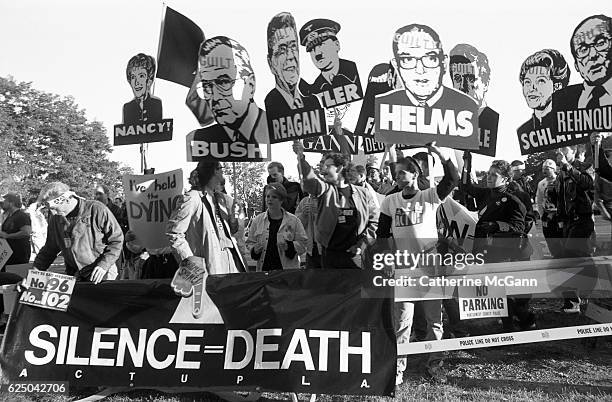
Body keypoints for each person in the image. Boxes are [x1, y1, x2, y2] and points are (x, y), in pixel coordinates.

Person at [376, 143, 459, 385]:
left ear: (415, 173)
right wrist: (388, 260)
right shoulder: (390, 201)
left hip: (430, 265)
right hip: (404, 268)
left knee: (434, 320)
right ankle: (398, 368)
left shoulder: (430, 196)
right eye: (396, 173)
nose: (398, 177)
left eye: (403, 172)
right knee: (402, 322)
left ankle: (434, 363)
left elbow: (452, 179)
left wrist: (441, 154)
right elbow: (382, 235)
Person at [375, 24, 478, 147]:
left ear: (444, 63)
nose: (420, 69)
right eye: (407, 59)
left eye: (430, 58)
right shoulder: (385, 104)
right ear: (396, 66)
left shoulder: (465, 106)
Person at [461, 158, 535, 331]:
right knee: (496, 290)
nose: (489, 177)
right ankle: (514, 324)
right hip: (489, 249)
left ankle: (521, 322)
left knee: (509, 292)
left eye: (494, 175)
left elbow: (520, 227)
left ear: (505, 179)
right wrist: (467, 162)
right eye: (488, 173)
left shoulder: (514, 198)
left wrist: (496, 226)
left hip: (510, 251)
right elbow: (465, 186)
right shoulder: (486, 193)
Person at [167, 161, 246, 322]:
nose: (224, 173)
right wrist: (191, 265)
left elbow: (232, 232)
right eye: (221, 169)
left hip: (232, 266)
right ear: (214, 171)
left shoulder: (222, 199)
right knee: (215, 319)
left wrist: (233, 219)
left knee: (235, 315)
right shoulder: (192, 198)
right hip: (211, 266)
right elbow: (174, 233)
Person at [293, 142, 378, 269]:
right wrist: (301, 157)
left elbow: (375, 221)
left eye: (328, 166)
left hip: (356, 256)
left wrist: (361, 245)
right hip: (330, 256)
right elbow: (311, 182)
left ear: (339, 168)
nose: (323, 170)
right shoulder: (325, 190)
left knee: (355, 288)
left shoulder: (363, 193)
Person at [188, 36, 269, 161]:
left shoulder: (272, 128)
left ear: (250, 84)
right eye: (206, 86)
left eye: (223, 82)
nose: (214, 97)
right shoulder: (199, 139)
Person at [32, 182, 123, 283]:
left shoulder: (96, 209)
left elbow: (116, 239)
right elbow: (49, 249)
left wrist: (104, 265)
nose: (53, 213)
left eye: (54, 208)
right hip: (75, 275)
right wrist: (33, 275)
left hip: (102, 274)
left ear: (66, 199)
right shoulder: (55, 219)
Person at [548, 145, 595, 313]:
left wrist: (568, 167)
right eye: (558, 151)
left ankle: (576, 301)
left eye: (564, 150)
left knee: (568, 260)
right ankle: (578, 299)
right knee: (578, 260)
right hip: (568, 223)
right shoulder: (561, 173)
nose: (559, 153)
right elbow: (561, 199)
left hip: (582, 221)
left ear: (574, 151)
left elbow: (588, 184)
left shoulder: (584, 166)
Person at [265, 12, 322, 114]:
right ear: (271, 63)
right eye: (282, 50)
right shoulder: (271, 103)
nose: (290, 56)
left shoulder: (313, 102)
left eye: (293, 46)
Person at [298, 18, 362, 107]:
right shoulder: (314, 89)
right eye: (311, 50)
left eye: (321, 44)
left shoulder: (357, 71)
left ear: (337, 45)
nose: (317, 54)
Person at [553, 15, 612, 110]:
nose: (593, 55)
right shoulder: (561, 100)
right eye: (583, 50)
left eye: (601, 43)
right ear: (576, 65)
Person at [247, 183, 307, 271]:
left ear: (281, 200)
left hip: (287, 273)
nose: (269, 199)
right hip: (264, 271)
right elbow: (250, 242)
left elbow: (303, 244)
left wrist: (289, 246)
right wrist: (254, 250)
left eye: (274, 197)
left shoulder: (294, 221)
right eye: (267, 196)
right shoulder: (257, 220)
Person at [123, 53, 163, 125]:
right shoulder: (127, 108)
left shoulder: (156, 104)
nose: (136, 82)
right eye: (133, 77)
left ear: (149, 79)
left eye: (141, 76)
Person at [536, 160, 563, 258]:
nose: (544, 171)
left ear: (553, 169)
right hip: (547, 216)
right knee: (550, 238)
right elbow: (539, 200)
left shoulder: (561, 180)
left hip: (559, 215)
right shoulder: (541, 183)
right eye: (543, 169)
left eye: (547, 169)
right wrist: (541, 214)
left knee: (561, 238)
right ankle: (555, 256)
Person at [0, 193, 32, 267]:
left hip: (19, 254)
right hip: (9, 254)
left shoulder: (21, 216)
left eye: (5, 201)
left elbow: (26, 232)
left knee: (16, 277)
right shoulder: (10, 216)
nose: (2, 204)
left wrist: (7, 236)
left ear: (11, 203)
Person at [295, 193, 321, 268]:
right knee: (311, 277)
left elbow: (331, 223)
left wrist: (317, 213)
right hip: (311, 250)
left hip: (325, 249)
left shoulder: (327, 200)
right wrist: (303, 215)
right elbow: (297, 226)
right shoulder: (304, 201)